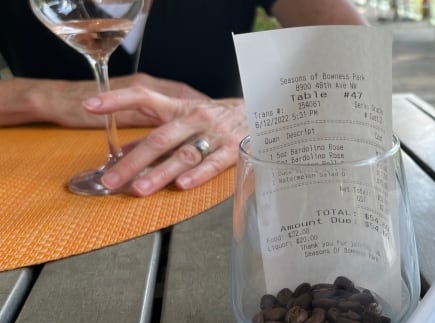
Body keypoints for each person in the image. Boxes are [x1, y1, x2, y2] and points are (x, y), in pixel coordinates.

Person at [0, 0, 368, 196]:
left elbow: (358, 55)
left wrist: (260, 112)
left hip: (225, 187)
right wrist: (43, 96)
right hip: (34, 191)